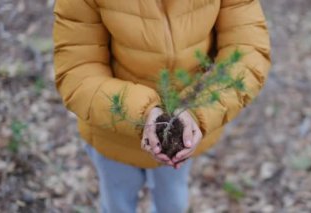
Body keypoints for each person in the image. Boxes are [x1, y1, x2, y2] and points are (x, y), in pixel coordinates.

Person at [53, 0, 271, 212]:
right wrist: (142, 113)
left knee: (173, 203)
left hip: (181, 134)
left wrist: (195, 111)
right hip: (113, 132)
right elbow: (78, 71)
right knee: (117, 202)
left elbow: (247, 51)